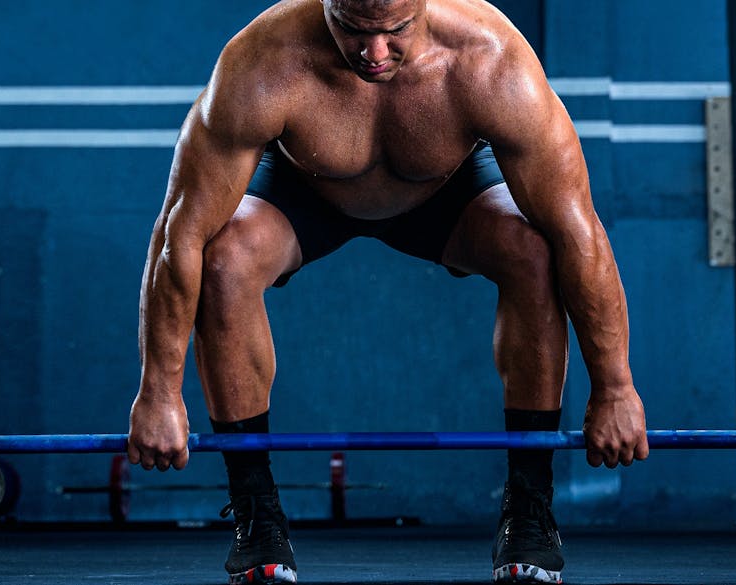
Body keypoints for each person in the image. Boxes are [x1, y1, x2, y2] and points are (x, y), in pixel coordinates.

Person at [129, 0, 648, 582]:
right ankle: (258, 515)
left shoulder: (491, 59)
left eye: (395, 31)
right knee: (222, 260)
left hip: (444, 193)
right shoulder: (262, 61)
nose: (373, 54)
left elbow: (580, 233)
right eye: (352, 31)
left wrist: (615, 387)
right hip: (310, 190)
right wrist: (158, 392)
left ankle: (529, 512)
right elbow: (180, 234)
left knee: (535, 249)